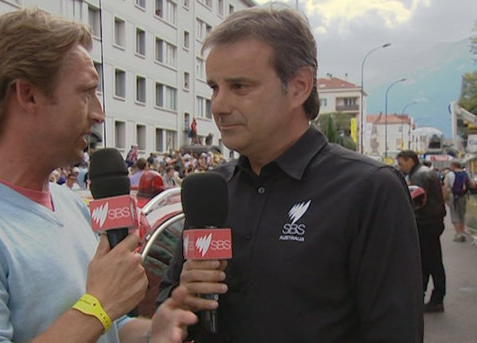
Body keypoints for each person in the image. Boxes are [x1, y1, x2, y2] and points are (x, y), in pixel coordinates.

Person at [0, 8, 196, 343]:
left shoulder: (67, 204)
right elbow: (95, 314)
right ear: (27, 94)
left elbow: (106, 329)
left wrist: (152, 333)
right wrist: (99, 305)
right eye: (86, 92)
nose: (99, 114)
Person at [158, 5, 423, 342]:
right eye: (214, 87)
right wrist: (182, 295)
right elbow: (168, 303)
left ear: (299, 86)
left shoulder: (368, 189)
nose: (219, 105)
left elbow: (395, 330)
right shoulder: (213, 191)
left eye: (240, 87)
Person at [396, 150, 447, 313]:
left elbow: (415, 200)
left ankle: (435, 298)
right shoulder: (425, 173)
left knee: (430, 262)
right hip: (432, 222)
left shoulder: (419, 176)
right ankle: (425, 296)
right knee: (428, 262)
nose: (399, 166)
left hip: (425, 224)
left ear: (410, 160)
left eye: (401, 162)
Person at [443, 160, 475, 242]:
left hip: (453, 196)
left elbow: (446, 187)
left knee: (455, 215)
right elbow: (472, 185)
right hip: (463, 196)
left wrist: (445, 198)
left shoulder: (450, 174)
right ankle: (463, 232)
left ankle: (458, 234)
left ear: (453, 166)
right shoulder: (465, 173)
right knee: (462, 215)